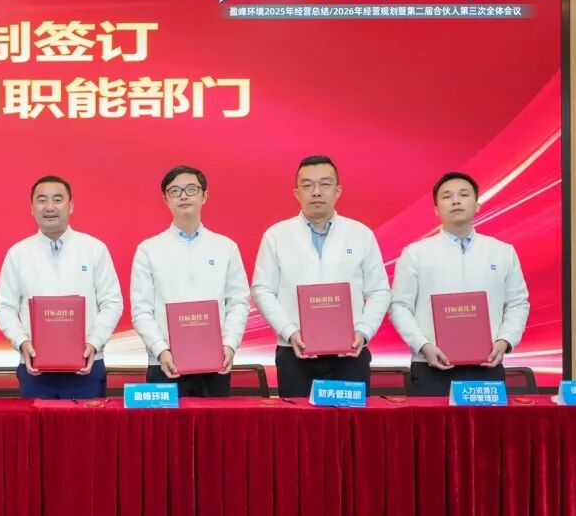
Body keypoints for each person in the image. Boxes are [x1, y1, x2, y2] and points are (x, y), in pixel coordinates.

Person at [251, 155, 391, 397]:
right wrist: (289, 331)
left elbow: (379, 290)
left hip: (350, 354)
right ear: (297, 193)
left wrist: (363, 331)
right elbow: (262, 289)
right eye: (307, 185)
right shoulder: (276, 235)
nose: (316, 192)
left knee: (352, 420)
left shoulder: (360, 234)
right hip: (294, 353)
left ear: (338, 191)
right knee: (299, 421)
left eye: (325, 184)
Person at [389, 172, 529, 395]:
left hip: (487, 365)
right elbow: (399, 306)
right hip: (431, 365)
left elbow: (518, 303)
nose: (455, 201)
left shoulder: (502, 252)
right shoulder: (415, 253)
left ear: (477, 205)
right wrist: (423, 345)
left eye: (463, 195)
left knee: (486, 420)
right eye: (447, 196)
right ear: (436, 209)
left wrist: (505, 341)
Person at [0, 175, 123, 399]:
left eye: (57, 199)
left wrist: (94, 342)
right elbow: (4, 307)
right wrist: (22, 342)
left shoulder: (94, 249)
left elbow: (112, 303)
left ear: (70, 205)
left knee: (88, 423)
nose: (50, 207)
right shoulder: (18, 253)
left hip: (87, 367)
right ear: (32, 208)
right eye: (42, 200)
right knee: (36, 424)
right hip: (35, 370)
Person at [130, 165, 250, 397]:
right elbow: (141, 310)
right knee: (165, 423)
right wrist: (161, 350)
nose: (183, 196)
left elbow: (238, 303)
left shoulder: (225, 247)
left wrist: (229, 344)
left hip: (215, 363)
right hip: (165, 364)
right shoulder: (148, 249)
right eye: (175, 191)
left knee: (213, 422)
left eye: (191, 189)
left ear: (205, 195)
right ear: (165, 200)